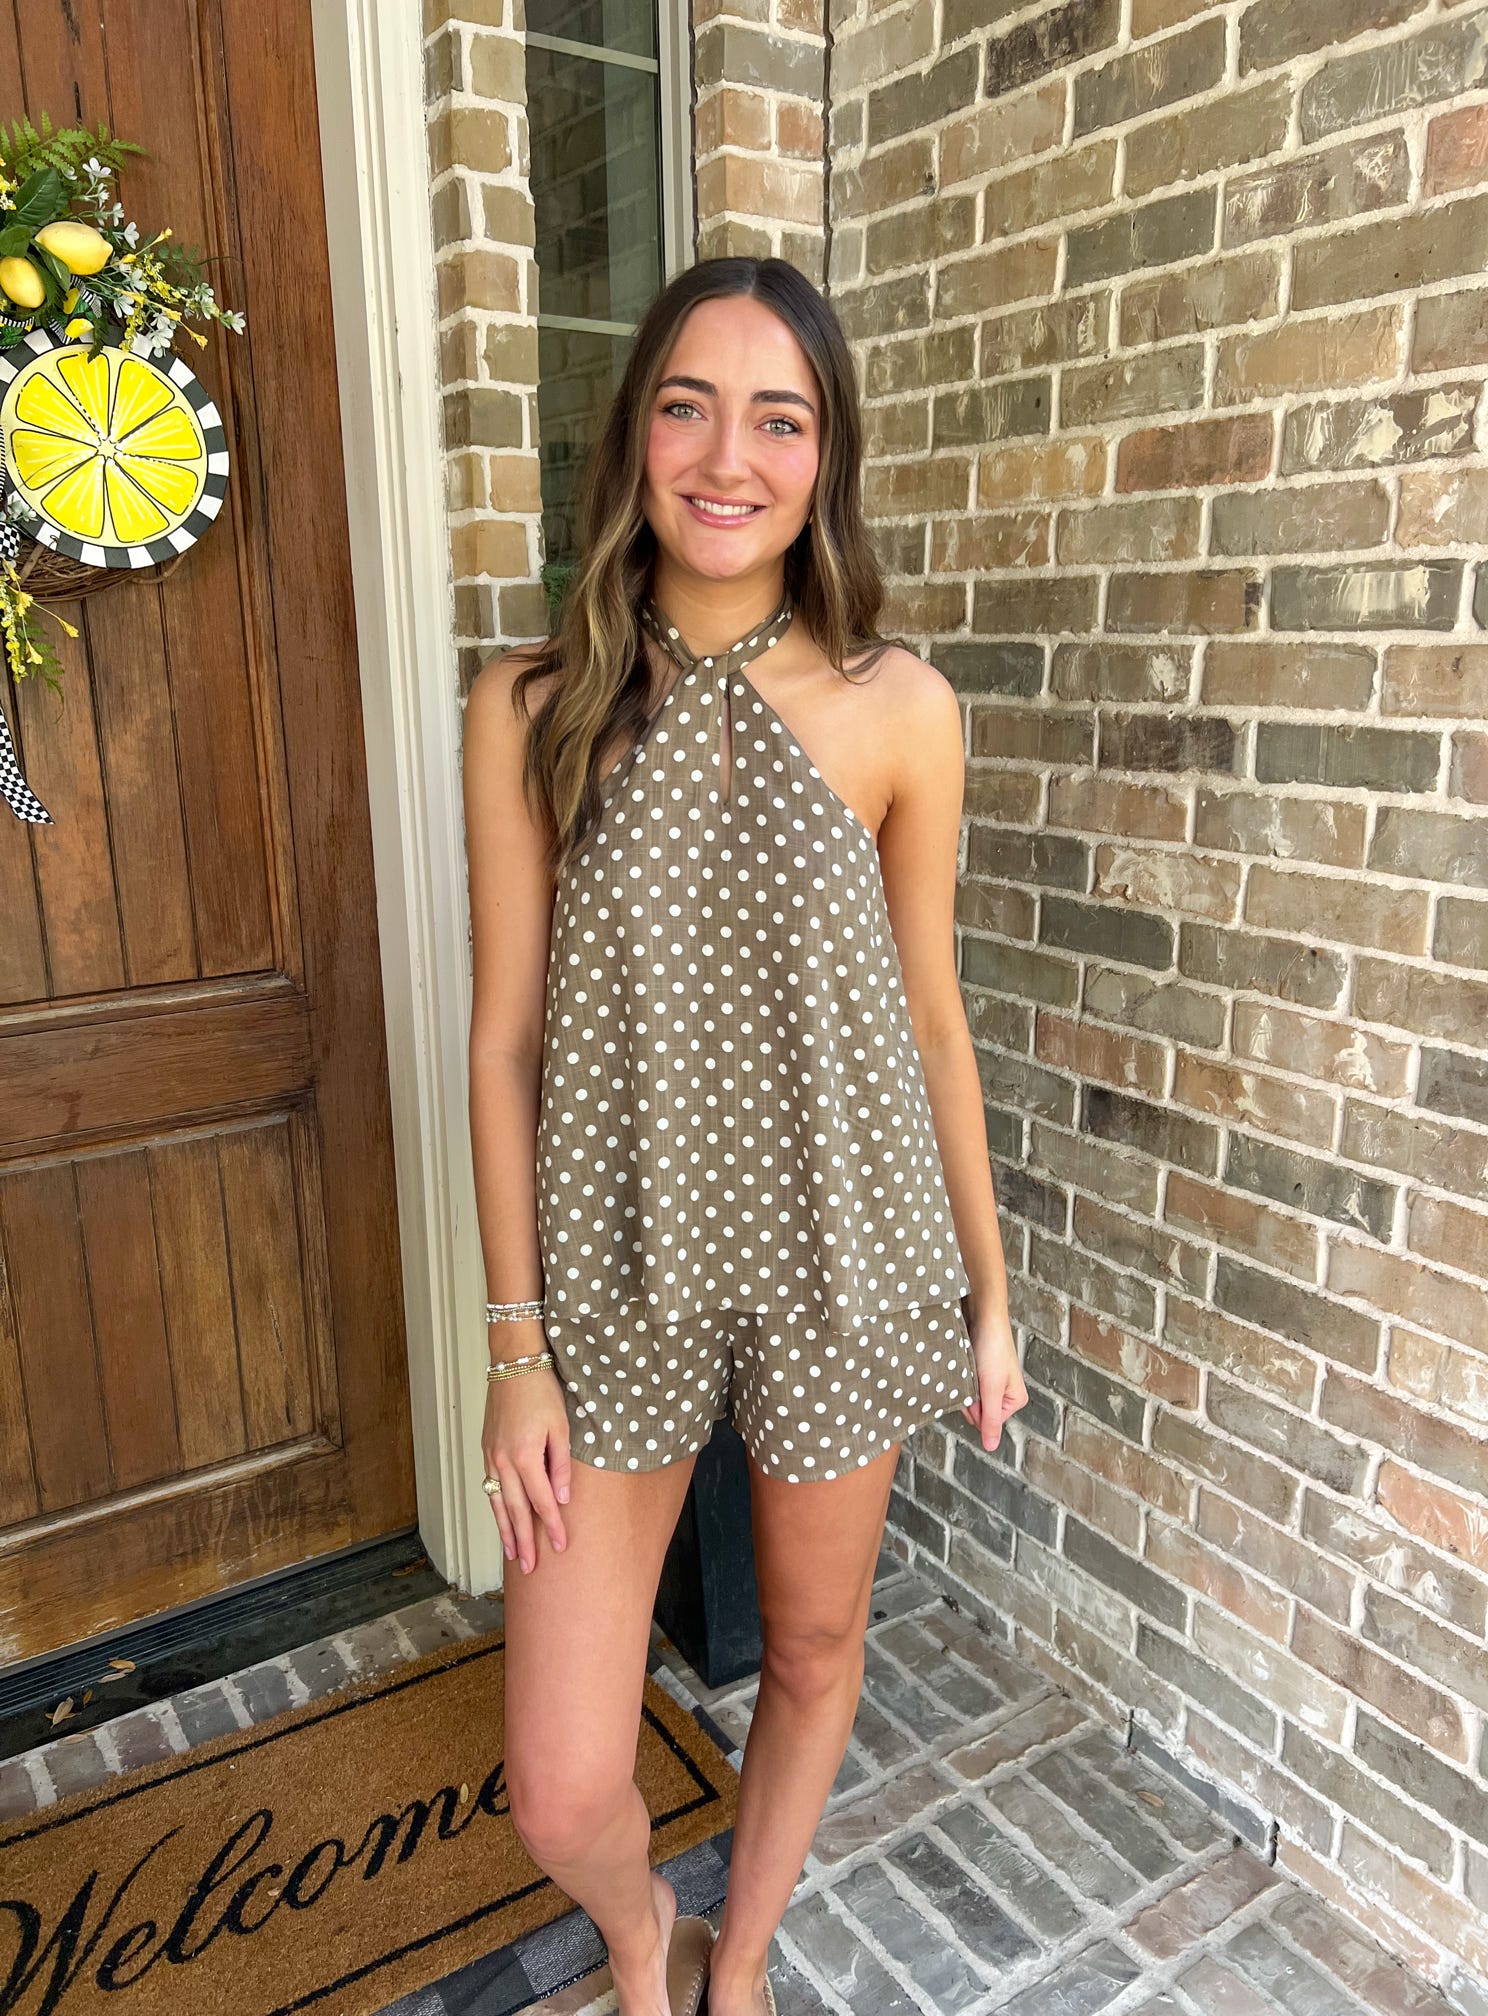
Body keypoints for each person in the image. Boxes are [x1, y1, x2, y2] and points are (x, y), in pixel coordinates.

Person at [462, 254, 1025, 2016]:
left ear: (823, 455)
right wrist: (513, 1347)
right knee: (561, 1781)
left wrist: (989, 1298)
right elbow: (505, 1041)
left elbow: (933, 1020)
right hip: (613, 1279)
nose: (728, 455)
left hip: (849, 1264)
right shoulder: (532, 702)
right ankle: (644, 1938)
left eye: (778, 417)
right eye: (687, 405)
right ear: (635, 433)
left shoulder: (899, 708)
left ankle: (740, 1968)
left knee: (810, 1645)